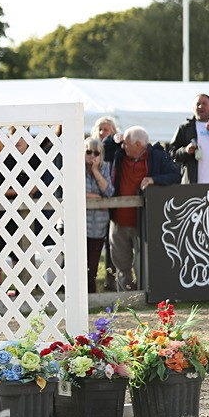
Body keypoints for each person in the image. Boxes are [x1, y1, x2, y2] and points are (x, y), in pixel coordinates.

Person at [108, 126, 180, 291]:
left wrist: (154, 179)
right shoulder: (120, 153)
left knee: (142, 264)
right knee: (121, 264)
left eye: (127, 143)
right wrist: (114, 139)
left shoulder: (158, 156)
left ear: (139, 144)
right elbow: (103, 148)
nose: (123, 146)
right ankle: (125, 299)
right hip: (119, 220)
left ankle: (143, 297)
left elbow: (176, 175)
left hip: (144, 221)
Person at [91, 116, 121, 289]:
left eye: (107, 129)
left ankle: (112, 284)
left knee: (112, 248)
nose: (102, 133)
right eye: (100, 129)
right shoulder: (88, 150)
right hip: (95, 209)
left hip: (113, 203)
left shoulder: (115, 149)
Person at [84, 136, 114, 294]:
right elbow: (76, 193)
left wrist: (95, 171)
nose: (92, 156)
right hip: (81, 224)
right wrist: (96, 197)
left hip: (99, 225)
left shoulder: (105, 168)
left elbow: (109, 192)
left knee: (94, 263)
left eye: (96, 153)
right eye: (88, 152)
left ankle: (91, 294)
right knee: (79, 263)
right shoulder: (77, 168)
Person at [168, 93, 209, 185]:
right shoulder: (185, 128)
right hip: (192, 185)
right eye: (197, 104)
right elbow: (171, 153)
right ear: (193, 108)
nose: (200, 106)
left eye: (204, 103)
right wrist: (186, 150)